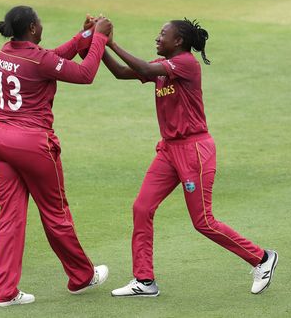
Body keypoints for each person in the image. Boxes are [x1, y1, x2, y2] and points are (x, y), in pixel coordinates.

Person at [101, 18, 278, 297]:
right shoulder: (163, 68)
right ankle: (144, 281)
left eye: (163, 34)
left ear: (178, 41)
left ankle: (262, 258)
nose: (157, 38)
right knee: (142, 208)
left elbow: (143, 67)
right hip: (169, 150)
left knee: (203, 221)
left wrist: (109, 42)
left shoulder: (185, 63)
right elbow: (123, 72)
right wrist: (97, 45)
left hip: (194, 151)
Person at [0, 6, 112, 307]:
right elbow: (84, 74)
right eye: (39, 23)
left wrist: (85, 35)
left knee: (10, 218)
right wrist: (100, 40)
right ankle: (81, 275)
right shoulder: (37, 59)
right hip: (32, 144)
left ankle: (4, 292)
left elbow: (51, 58)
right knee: (56, 213)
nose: (41, 26)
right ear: (31, 29)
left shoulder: (6, 52)